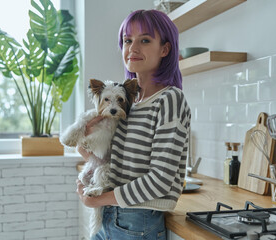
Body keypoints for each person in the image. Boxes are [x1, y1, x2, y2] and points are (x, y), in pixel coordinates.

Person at [76, 9, 191, 240]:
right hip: (108, 217)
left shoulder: (169, 99)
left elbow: (160, 180)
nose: (133, 48)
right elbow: (117, 166)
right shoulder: (129, 104)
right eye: (128, 40)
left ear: (165, 49)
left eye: (145, 40)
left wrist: (99, 198)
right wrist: (85, 144)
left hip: (138, 221)